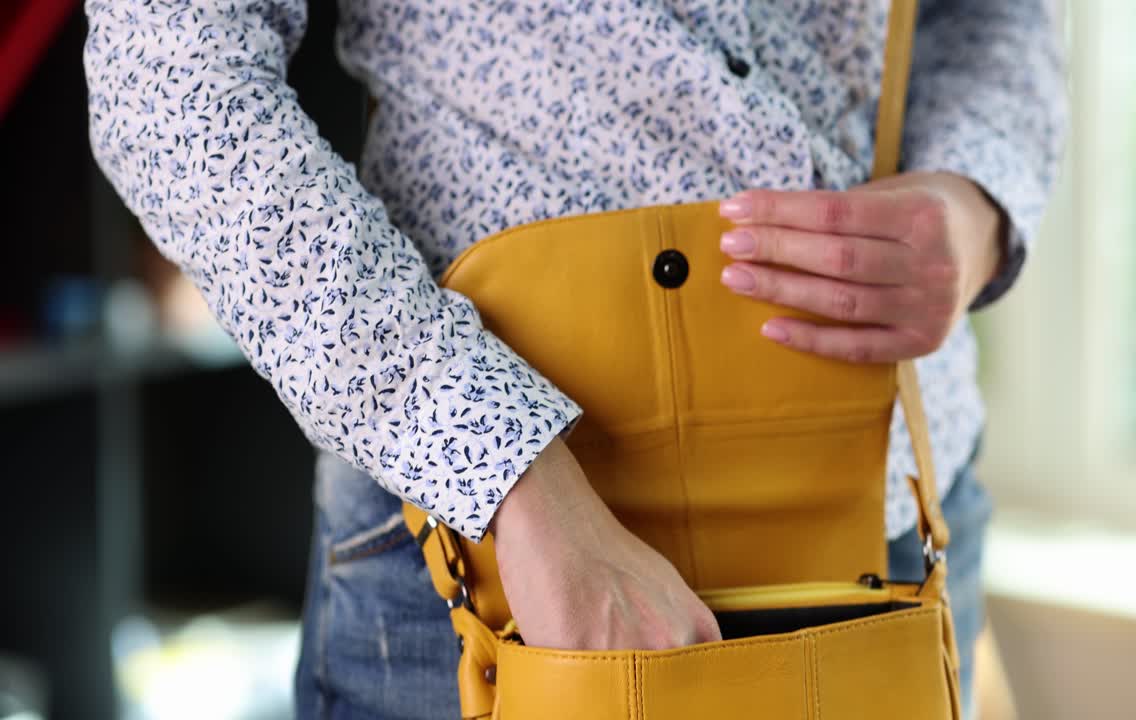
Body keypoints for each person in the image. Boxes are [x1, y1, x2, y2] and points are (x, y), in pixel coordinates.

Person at [85, 1, 1066, 717]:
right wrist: (510, 475)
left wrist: (974, 203)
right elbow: (169, 80)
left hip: (886, 503)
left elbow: (987, 16)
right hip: (484, 559)